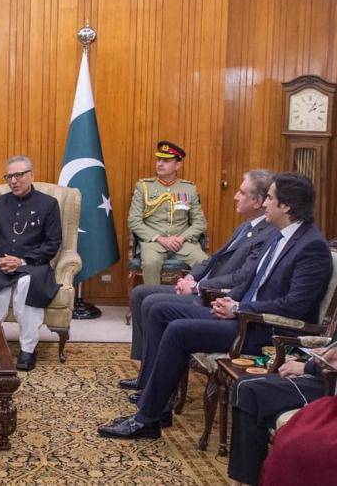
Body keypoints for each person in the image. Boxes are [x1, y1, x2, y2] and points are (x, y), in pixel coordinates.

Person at [99, 172, 333, 439]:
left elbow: (293, 306)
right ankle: (157, 406)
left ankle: (147, 419)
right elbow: (252, 279)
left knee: (178, 331)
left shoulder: (311, 246)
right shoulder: (278, 235)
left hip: (263, 330)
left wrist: (240, 308)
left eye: (270, 198)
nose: (265, 203)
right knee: (162, 310)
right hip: (241, 315)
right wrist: (230, 300)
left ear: (286, 206)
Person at [121, 169, 277, 387]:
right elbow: (214, 259)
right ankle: (146, 369)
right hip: (202, 286)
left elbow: (241, 277)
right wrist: (190, 278)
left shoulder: (266, 234)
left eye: (241, 193)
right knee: (140, 294)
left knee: (153, 304)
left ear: (257, 201)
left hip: (214, 295)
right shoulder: (246, 226)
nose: (235, 196)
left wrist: (198, 287)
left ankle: (152, 379)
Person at [0, 155, 62, 371]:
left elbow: (53, 243)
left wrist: (22, 261)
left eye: (19, 175)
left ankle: (28, 349)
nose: (13, 181)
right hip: (0, 262)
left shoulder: (48, 204)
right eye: (9, 176)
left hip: (33, 264)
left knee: (28, 285)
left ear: (31, 175)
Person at [227, 344, 337, 485]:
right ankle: (247, 478)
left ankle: (250, 480)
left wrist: (308, 367)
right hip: (320, 373)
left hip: (327, 384)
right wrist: (323, 354)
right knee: (244, 387)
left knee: (249, 391)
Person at [127, 141, 209, 285]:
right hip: (154, 243)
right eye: (159, 159)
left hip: (182, 243)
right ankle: (152, 298)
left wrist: (182, 238)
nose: (160, 164)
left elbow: (200, 222)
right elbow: (134, 221)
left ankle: (193, 297)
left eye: (165, 161)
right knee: (150, 263)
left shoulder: (189, 189)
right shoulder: (143, 187)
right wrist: (160, 239)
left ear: (177, 165)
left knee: (204, 262)